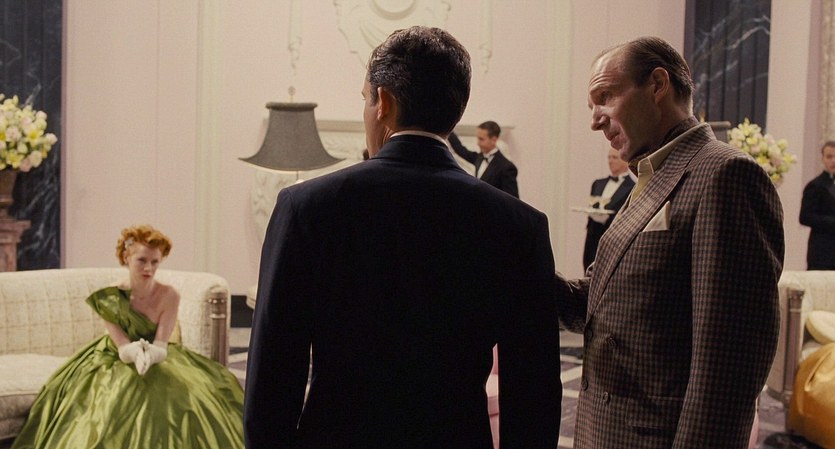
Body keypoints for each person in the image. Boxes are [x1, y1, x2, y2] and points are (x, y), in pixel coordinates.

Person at [245, 26, 560, 449]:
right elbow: (534, 391)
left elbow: (274, 372)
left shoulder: (306, 207)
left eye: (365, 99)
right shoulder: (519, 224)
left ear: (384, 103)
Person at [554, 36, 784, 448]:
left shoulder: (724, 174)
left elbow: (729, 364)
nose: (595, 121)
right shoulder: (651, 176)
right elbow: (601, 301)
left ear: (658, 85)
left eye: (605, 97)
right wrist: (518, 266)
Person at [12, 225, 244, 449]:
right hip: (114, 356)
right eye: (142, 260)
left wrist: (153, 354)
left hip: (159, 356)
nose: (148, 268)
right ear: (126, 258)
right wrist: (132, 352)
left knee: (184, 397)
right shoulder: (110, 297)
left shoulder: (169, 295)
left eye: (155, 261)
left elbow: (162, 343)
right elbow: (122, 345)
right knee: (111, 400)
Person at [582, 146, 634, 271]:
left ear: (625, 160)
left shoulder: (632, 187)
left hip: (613, 239)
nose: (610, 161)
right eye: (609, 157)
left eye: (614, 158)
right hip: (592, 238)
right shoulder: (597, 183)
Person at [448, 121, 519, 198]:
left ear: (494, 140)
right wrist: (448, 128)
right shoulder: (479, 157)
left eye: (481, 139)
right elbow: (460, 150)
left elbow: (512, 199)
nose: (478, 143)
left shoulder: (507, 167)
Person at [799, 141, 835, 269]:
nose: (833, 161)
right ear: (822, 159)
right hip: (823, 250)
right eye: (829, 156)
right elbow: (805, 217)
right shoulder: (815, 185)